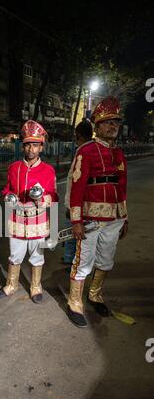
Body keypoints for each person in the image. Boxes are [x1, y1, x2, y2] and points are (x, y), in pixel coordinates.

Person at [66, 96, 128, 328]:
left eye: (116, 122)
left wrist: (125, 217)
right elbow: (76, 188)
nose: (113, 126)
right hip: (90, 219)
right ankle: (74, 302)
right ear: (98, 126)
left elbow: (122, 188)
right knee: (82, 261)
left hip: (114, 219)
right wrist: (76, 221)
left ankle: (94, 295)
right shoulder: (86, 151)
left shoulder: (119, 154)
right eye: (108, 122)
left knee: (106, 260)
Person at [0, 120, 58, 304]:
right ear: (23, 146)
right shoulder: (14, 168)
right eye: (28, 144)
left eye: (35, 145)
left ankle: (36, 286)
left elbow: (54, 198)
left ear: (41, 147)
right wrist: (8, 196)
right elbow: (7, 189)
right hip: (17, 218)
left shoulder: (48, 170)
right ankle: (12, 284)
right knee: (14, 255)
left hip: (37, 219)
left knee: (37, 256)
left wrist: (40, 199)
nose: (31, 149)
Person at [63, 120, 93, 265]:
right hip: (86, 205)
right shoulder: (93, 150)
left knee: (71, 234)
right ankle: (72, 260)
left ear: (78, 135)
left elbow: (75, 185)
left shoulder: (83, 151)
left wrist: (70, 206)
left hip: (76, 205)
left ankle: (70, 262)